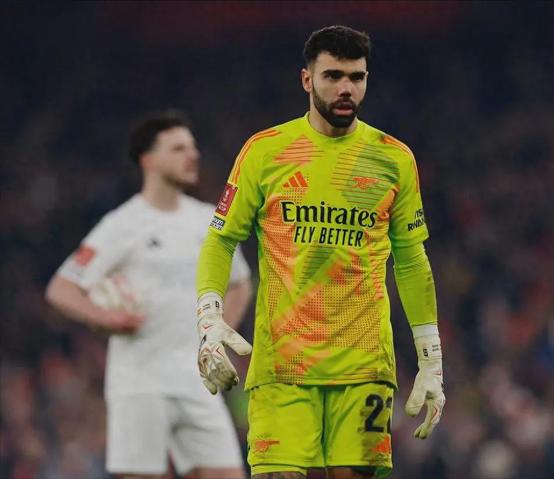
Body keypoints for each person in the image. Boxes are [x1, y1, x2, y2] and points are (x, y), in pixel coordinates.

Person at [196, 26, 446, 479]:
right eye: (333, 76)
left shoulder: (393, 159)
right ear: (307, 80)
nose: (346, 88)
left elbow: (411, 260)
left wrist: (431, 358)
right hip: (283, 366)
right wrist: (209, 319)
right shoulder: (265, 152)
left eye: (357, 77)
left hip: (364, 366)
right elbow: (220, 239)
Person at [45, 111, 252, 479]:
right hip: (140, 382)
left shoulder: (208, 220)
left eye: (193, 147)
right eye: (178, 148)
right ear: (149, 160)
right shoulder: (122, 225)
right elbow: (61, 288)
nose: (192, 155)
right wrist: (105, 317)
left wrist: (215, 337)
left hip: (197, 380)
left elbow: (240, 283)